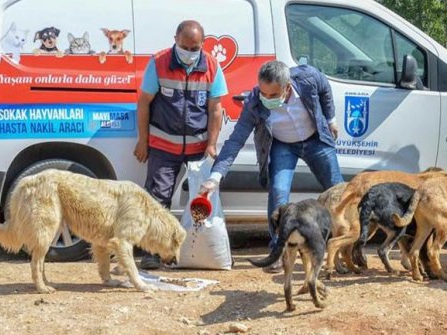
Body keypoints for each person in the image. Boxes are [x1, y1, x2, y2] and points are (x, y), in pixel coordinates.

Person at [199, 60, 343, 273]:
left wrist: (330, 118)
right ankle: (278, 251)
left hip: (316, 141)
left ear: (287, 87)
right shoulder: (254, 102)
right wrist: (215, 177)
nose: (266, 99)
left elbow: (324, 89)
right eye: (263, 93)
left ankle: (343, 251)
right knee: (278, 193)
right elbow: (235, 141)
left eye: (272, 95)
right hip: (282, 146)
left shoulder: (308, 78)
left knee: (337, 192)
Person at [133, 20, 228, 269]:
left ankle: (195, 251)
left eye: (195, 47)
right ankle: (151, 252)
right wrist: (142, 141)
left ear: (202, 44)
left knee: (201, 200)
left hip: (198, 147)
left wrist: (211, 144)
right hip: (163, 145)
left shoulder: (212, 66)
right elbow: (143, 103)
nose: (190, 52)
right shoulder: (159, 63)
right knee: (156, 199)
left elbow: (216, 109)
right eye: (185, 46)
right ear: (175, 39)